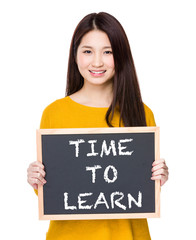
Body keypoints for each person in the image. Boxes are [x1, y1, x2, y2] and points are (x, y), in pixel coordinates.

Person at [27, 12, 169, 240]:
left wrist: (158, 178)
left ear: (121, 56)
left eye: (108, 52)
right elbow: (55, 191)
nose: (97, 62)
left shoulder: (142, 113)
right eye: (87, 51)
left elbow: (141, 189)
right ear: (75, 55)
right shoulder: (54, 113)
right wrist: (37, 180)